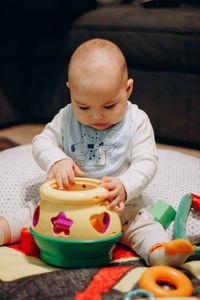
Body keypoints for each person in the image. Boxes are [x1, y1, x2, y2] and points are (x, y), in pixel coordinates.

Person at [0, 38, 194, 266]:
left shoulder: (137, 121)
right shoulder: (66, 117)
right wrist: (57, 160)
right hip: (66, 207)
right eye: (83, 107)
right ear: (70, 91)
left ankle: (162, 254)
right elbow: (42, 142)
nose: (96, 116)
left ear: (128, 89)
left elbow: (146, 163)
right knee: (30, 213)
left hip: (117, 208)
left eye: (109, 106)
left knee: (143, 227)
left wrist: (125, 186)